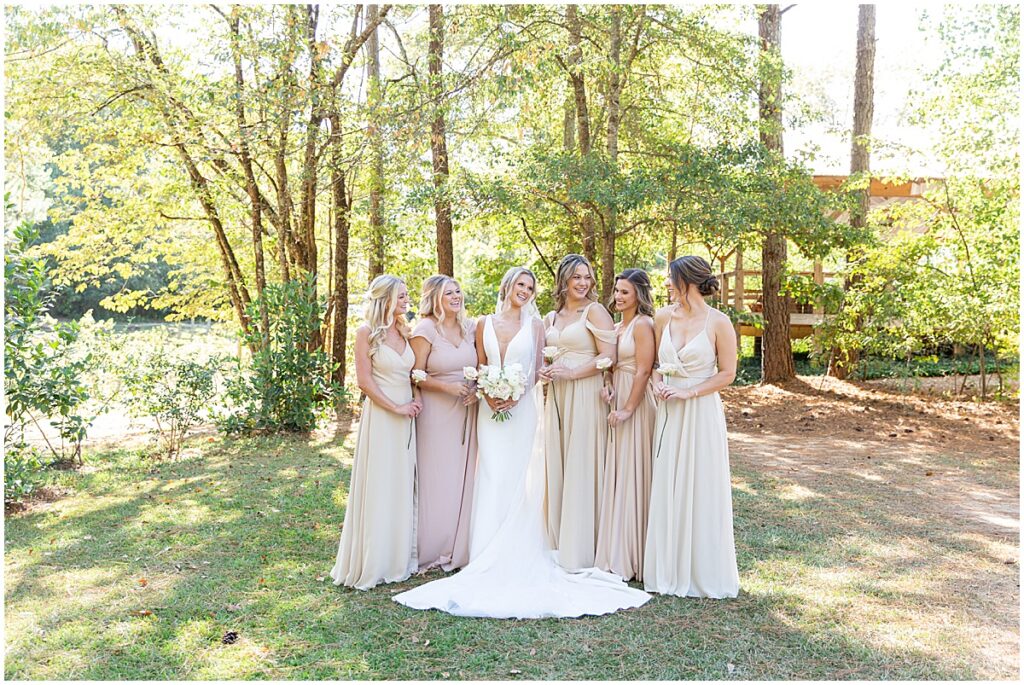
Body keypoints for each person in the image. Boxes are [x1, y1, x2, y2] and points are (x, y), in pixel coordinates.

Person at [393, 267, 650, 618]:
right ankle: (482, 550)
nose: (525, 291)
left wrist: (517, 394)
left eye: (530, 287)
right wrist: (488, 393)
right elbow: (479, 365)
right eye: (520, 285)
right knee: (491, 475)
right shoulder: (482, 323)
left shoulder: (537, 325)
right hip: (488, 411)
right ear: (508, 286)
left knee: (519, 477)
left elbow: (536, 369)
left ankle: (520, 545)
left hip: (524, 409)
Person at [645, 256, 740, 598]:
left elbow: (728, 374)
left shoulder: (719, 322)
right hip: (670, 411)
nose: (667, 285)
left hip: (700, 411)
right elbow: (657, 364)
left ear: (688, 281)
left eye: (671, 279)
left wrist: (689, 392)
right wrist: (657, 383)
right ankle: (667, 568)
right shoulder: (662, 317)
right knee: (669, 480)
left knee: (700, 483)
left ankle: (702, 570)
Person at [330, 275, 420, 590]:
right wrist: (395, 407)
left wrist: (414, 399)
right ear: (384, 299)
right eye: (401, 297)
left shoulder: (404, 331)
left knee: (401, 482)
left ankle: (397, 557)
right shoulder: (366, 334)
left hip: (407, 416)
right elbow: (365, 382)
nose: (407, 302)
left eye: (407, 296)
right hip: (382, 416)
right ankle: (375, 559)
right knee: (380, 483)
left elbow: (412, 376)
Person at [540, 254, 617, 570]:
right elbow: (545, 356)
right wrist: (546, 372)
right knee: (558, 460)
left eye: (587, 277)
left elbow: (608, 357)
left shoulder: (595, 312)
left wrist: (573, 373)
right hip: (557, 396)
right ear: (564, 281)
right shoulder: (551, 317)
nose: (583, 283)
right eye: (576, 277)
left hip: (585, 393)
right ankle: (558, 539)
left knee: (582, 461)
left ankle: (584, 543)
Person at [409, 275, 478, 572]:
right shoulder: (425, 329)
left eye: (458, 291)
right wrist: (447, 388)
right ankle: (432, 546)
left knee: (461, 477)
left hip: (465, 410)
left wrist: (475, 390)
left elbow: (478, 365)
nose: (456, 296)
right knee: (437, 477)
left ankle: (457, 543)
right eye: (448, 293)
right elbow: (415, 374)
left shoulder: (468, 327)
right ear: (434, 297)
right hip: (436, 412)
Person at [595, 269, 657, 582]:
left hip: (637, 403)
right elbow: (610, 365)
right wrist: (607, 383)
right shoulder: (618, 326)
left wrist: (628, 410)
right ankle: (616, 547)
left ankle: (635, 553)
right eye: (617, 291)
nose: (618, 297)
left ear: (639, 296)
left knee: (634, 471)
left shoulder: (644, 325)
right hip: (617, 396)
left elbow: (644, 371)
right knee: (619, 471)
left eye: (625, 293)